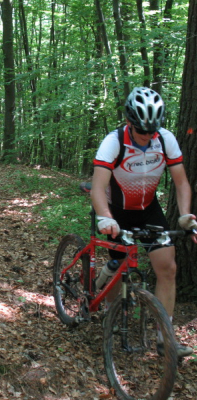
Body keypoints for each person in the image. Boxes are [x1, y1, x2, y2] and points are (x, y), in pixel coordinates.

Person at [91, 87, 197, 358]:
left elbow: (181, 182)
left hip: (149, 210)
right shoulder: (113, 142)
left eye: (152, 130)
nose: (148, 136)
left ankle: (165, 339)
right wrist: (105, 217)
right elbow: (98, 187)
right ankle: (111, 314)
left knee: (168, 268)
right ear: (129, 121)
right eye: (142, 130)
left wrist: (185, 214)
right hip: (117, 210)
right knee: (119, 267)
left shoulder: (166, 139)